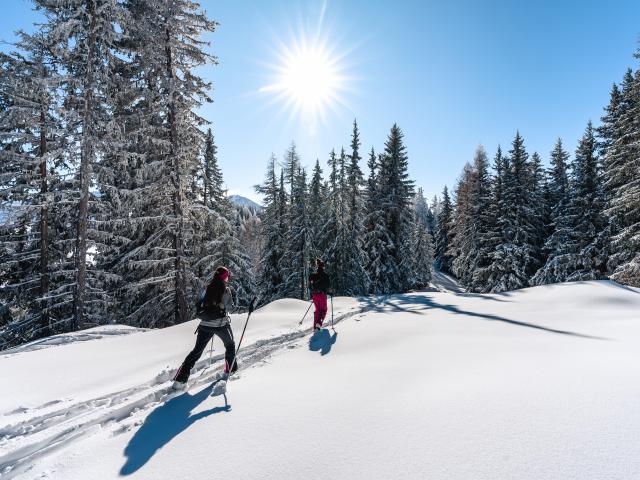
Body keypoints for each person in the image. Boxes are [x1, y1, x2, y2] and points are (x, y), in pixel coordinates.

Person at [172, 266, 236, 390]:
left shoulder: (206, 288)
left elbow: (198, 303)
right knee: (230, 346)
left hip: (204, 325)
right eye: (227, 276)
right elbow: (230, 308)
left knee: (196, 351)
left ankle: (180, 380)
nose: (227, 279)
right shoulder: (226, 290)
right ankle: (230, 370)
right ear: (224, 277)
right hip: (220, 325)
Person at [309, 258, 331, 331]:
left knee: (318, 310)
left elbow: (310, 284)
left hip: (314, 295)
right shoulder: (325, 275)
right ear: (323, 267)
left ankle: (315, 326)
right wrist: (329, 292)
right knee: (323, 310)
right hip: (322, 295)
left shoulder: (313, 275)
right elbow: (328, 286)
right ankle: (319, 323)